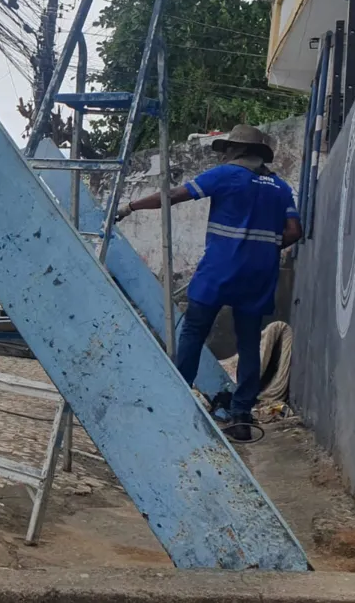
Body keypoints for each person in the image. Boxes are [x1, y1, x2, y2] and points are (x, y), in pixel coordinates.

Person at [115, 124, 301, 440]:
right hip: (258, 275)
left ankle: (177, 399)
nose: (225, 154)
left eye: (228, 148)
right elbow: (294, 231)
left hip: (219, 271)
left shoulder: (226, 176)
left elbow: (174, 195)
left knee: (193, 331)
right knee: (248, 343)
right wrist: (264, 248)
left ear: (238, 151)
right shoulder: (280, 188)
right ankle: (241, 416)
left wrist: (130, 206)